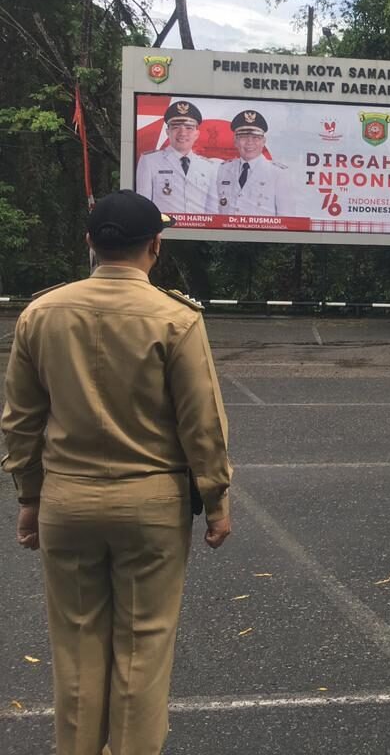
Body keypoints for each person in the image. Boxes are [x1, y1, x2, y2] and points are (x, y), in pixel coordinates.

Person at [2, 191, 232, 755]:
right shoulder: (176, 318)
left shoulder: (40, 314)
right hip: (151, 505)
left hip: (67, 499)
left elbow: (20, 421)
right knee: (142, 649)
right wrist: (217, 498)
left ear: (90, 245)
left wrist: (29, 498)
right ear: (155, 245)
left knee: (77, 649)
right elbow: (201, 424)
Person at [134, 100, 219, 213]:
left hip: (199, 230)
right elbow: (142, 206)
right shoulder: (149, 161)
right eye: (176, 127)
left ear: (196, 134)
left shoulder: (209, 167)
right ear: (167, 132)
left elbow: (213, 210)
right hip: (165, 229)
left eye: (189, 128)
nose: (182, 133)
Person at [207, 109, 296, 215]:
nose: (249, 143)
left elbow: (286, 218)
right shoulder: (223, 169)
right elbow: (213, 211)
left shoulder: (278, 174)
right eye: (243, 137)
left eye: (255, 138)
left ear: (263, 142)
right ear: (235, 141)